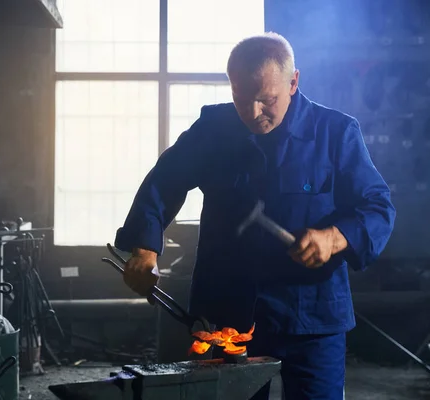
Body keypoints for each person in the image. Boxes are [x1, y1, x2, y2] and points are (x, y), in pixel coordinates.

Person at [114, 32, 396, 400]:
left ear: (294, 82)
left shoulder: (336, 133)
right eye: (241, 99)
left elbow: (378, 207)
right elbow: (164, 181)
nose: (253, 113)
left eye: (267, 100)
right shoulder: (214, 129)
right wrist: (145, 248)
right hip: (230, 313)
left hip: (311, 314)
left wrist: (335, 237)